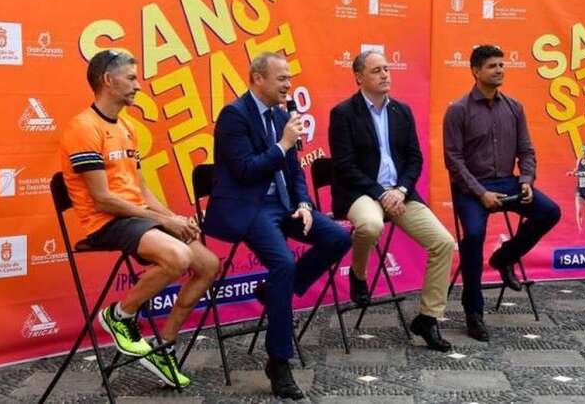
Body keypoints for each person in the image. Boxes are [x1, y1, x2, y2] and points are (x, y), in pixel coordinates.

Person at [59, 50, 220, 388]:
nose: (138, 85)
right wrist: (163, 222)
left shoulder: (128, 127)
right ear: (108, 80)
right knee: (179, 257)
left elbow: (141, 190)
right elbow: (103, 199)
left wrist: (173, 217)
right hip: (105, 222)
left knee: (208, 265)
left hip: (137, 218)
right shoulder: (82, 127)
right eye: (131, 78)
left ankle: (164, 347)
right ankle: (120, 315)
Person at [204, 52, 351, 400]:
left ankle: (274, 292)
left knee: (337, 238)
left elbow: (294, 170)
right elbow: (245, 171)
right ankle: (279, 362)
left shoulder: (281, 115)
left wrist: (304, 204)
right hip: (249, 206)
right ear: (258, 79)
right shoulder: (234, 115)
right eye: (282, 78)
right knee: (283, 264)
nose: (288, 84)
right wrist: (283, 143)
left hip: (284, 204)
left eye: (289, 78)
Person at [329, 50, 455, 351]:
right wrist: (381, 193)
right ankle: (359, 275)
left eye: (386, 69)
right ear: (359, 77)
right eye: (376, 70)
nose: (385, 74)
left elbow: (414, 158)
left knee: (443, 243)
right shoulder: (343, 113)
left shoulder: (402, 111)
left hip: (400, 194)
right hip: (361, 192)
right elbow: (345, 166)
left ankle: (428, 318)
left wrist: (401, 189)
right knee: (371, 225)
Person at [443, 45, 561, 341]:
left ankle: (504, 258)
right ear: (475, 71)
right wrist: (480, 193)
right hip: (472, 189)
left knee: (550, 212)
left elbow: (527, 151)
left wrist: (527, 181)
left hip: (509, 183)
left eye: (501, 65)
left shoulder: (514, 107)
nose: (499, 70)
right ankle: (473, 311)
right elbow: (453, 161)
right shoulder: (458, 110)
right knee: (472, 236)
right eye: (492, 66)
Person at [566, 143, 585, 232]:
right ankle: (580, 230)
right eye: (583, 150)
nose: (584, 152)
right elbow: (576, 170)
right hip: (580, 189)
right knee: (578, 210)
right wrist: (572, 173)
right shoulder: (579, 160)